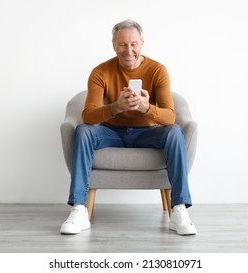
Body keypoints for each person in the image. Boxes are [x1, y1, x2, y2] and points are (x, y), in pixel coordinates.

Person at [60, 19, 197, 236]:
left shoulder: (157, 70)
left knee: (174, 132)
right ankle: (79, 209)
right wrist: (114, 108)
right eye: (122, 44)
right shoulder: (100, 72)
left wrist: (146, 108)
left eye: (134, 44)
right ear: (114, 45)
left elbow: (170, 117)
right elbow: (87, 115)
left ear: (142, 43)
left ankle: (179, 210)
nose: (128, 50)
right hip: (110, 132)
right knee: (83, 131)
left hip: (147, 132)